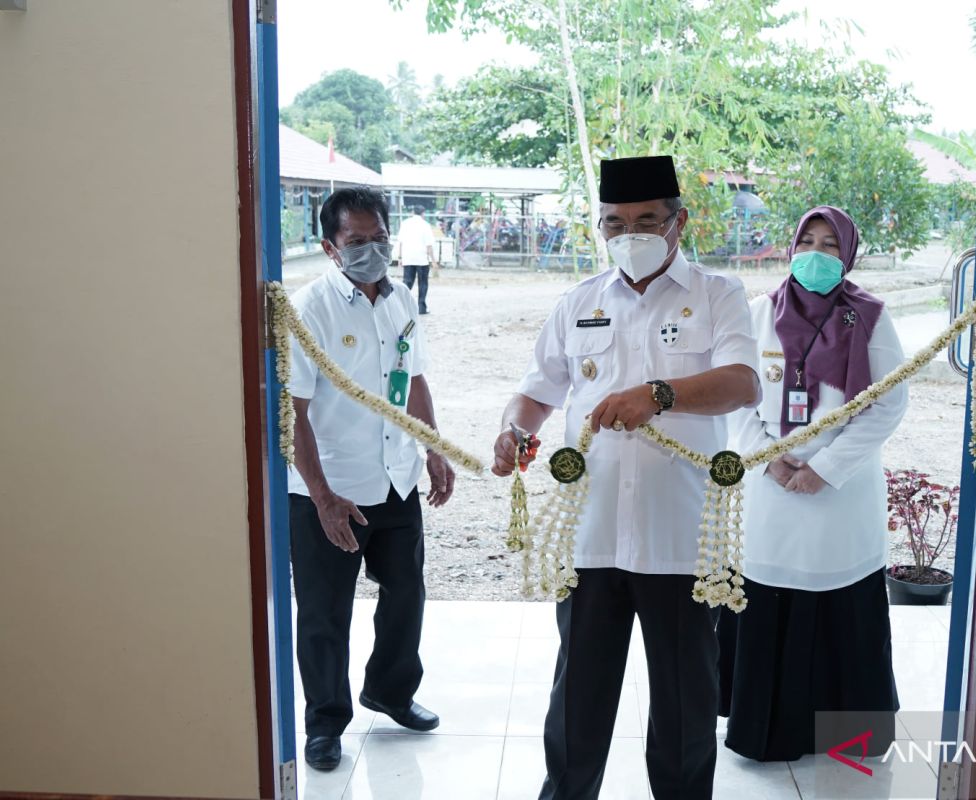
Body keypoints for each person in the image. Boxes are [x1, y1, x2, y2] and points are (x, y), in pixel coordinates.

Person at [492, 155, 760, 799]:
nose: (629, 235)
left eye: (645, 220)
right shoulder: (579, 301)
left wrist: (660, 393)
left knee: (683, 704)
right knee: (578, 698)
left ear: (678, 222)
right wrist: (515, 430)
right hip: (592, 536)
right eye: (615, 223)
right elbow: (538, 390)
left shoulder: (717, 295)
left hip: (680, 538)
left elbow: (742, 384)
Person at [718, 205, 908, 761]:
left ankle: (846, 737)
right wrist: (767, 459)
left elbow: (887, 403)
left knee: (841, 604)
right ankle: (767, 732)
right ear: (790, 246)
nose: (817, 255)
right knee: (768, 601)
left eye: (830, 245)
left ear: (848, 255)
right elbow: (736, 394)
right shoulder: (757, 313)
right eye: (809, 241)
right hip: (770, 491)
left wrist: (824, 469)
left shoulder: (869, 317)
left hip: (840, 495)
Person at [288, 187, 456, 771]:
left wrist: (433, 447)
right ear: (329, 247)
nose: (371, 250)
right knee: (324, 610)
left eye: (378, 238)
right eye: (355, 242)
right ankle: (325, 722)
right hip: (329, 490)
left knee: (406, 593)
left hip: (395, 479)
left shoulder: (401, 299)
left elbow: (415, 378)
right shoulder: (309, 309)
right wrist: (323, 498)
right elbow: (294, 412)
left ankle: (390, 691)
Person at [397, 205, 437, 314]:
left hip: (408, 257)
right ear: (423, 213)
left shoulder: (405, 224)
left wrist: (400, 257)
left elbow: (400, 242)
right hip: (422, 259)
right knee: (423, 283)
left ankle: (401, 305)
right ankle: (421, 307)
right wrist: (433, 261)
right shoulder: (426, 225)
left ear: (412, 212)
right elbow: (429, 245)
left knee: (407, 282)